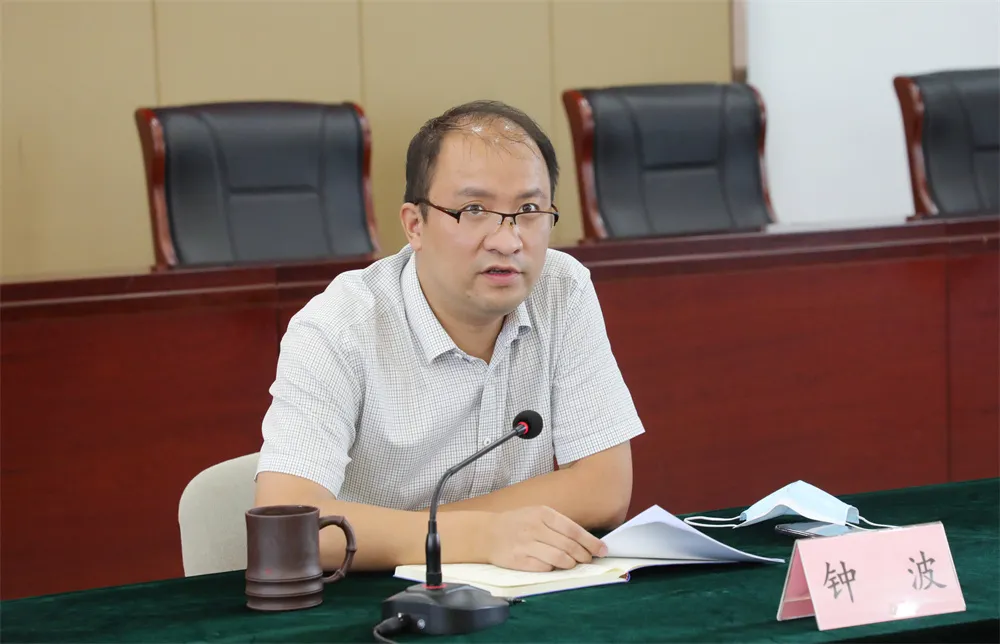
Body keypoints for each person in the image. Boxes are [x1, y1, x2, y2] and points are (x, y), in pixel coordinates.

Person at [254, 100, 645, 574]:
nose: (508, 241)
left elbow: (604, 490)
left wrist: (420, 532)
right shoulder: (338, 327)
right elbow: (291, 528)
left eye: (528, 210)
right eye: (474, 209)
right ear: (414, 225)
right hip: (373, 597)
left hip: (519, 589)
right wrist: (480, 536)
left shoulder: (561, 289)